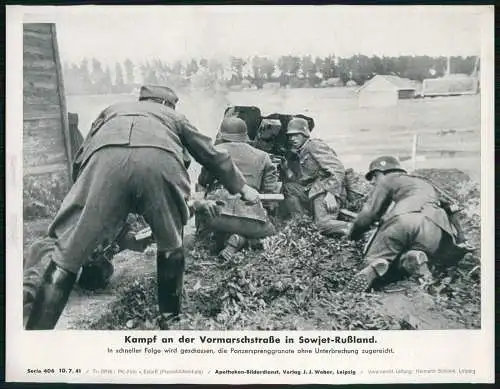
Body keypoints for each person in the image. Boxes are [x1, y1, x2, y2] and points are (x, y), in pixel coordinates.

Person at [24, 85, 260, 330]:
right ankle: (170, 321)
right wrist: (242, 188)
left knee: (67, 255)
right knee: (170, 242)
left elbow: (82, 157)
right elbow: (211, 154)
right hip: (159, 163)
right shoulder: (174, 117)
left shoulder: (112, 110)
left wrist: (87, 196)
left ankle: (38, 334)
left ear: (144, 99)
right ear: (168, 104)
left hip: (105, 164)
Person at [346, 156, 471, 293]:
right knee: (403, 257)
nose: (373, 182)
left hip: (405, 220)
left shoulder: (387, 179)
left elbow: (369, 213)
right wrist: (461, 237)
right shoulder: (425, 183)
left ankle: (376, 264)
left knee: (374, 260)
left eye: (374, 177)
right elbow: (453, 209)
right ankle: (413, 257)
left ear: (381, 172)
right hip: (434, 228)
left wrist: (353, 234)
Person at [197, 117, 280, 260]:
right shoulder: (264, 156)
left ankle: (219, 238)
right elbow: (270, 193)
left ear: (222, 134)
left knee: (209, 228)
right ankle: (242, 240)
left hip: (217, 216)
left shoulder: (214, 152)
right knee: (272, 233)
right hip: (250, 218)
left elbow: (202, 184)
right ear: (245, 135)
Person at [281, 117, 351, 236]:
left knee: (322, 225)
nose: (292, 139)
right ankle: (303, 223)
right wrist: (287, 169)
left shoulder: (314, 145)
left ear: (304, 134)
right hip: (313, 190)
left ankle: (355, 227)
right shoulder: (301, 151)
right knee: (289, 188)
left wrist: (331, 194)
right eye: (290, 136)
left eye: (296, 135)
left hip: (324, 189)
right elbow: (304, 180)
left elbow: (337, 168)